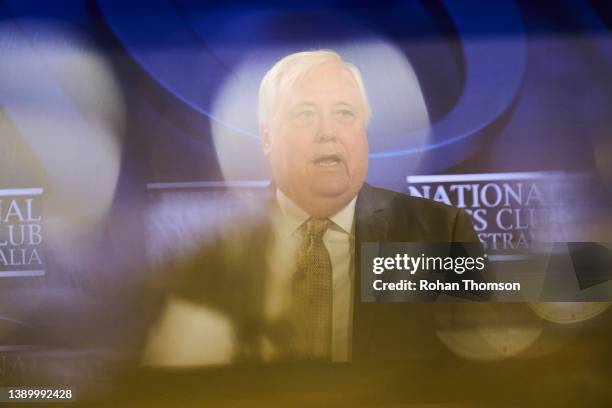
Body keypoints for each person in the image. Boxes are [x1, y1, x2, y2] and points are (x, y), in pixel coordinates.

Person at [145, 50, 480, 365]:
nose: (328, 133)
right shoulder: (212, 249)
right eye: (305, 115)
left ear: (364, 131)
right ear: (266, 137)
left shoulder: (441, 232)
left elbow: (495, 365)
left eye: (345, 114)